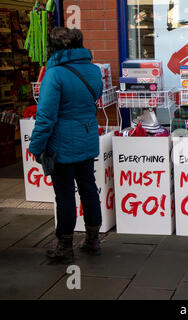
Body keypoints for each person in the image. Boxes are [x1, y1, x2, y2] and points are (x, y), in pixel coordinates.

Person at [29, 27, 104, 264]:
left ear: (54, 48)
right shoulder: (93, 70)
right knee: (88, 188)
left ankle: (64, 245)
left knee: (64, 195)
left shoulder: (55, 74)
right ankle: (92, 238)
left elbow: (46, 117)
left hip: (62, 144)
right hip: (87, 136)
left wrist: (36, 146)